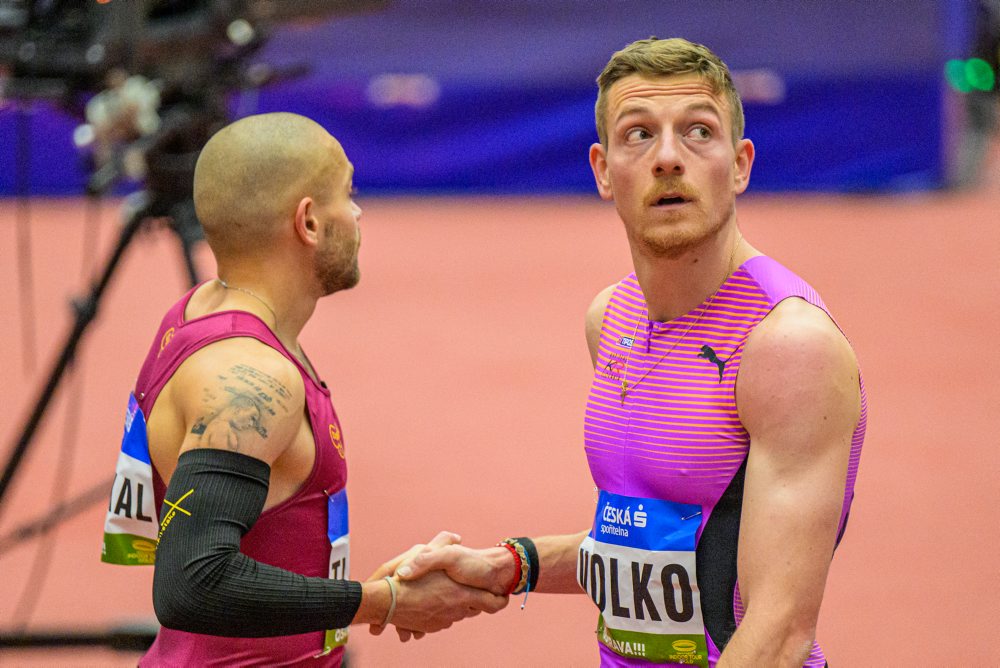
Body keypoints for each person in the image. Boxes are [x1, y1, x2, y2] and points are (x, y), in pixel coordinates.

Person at [392, 37, 866, 667]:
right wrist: (507, 566)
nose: (669, 158)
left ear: (742, 164)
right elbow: (660, 549)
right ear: (602, 169)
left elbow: (777, 633)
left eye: (698, 132)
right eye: (638, 135)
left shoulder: (785, 345)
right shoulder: (611, 318)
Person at [100, 112, 506, 666]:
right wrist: (380, 603)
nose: (359, 213)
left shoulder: (198, 311)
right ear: (309, 222)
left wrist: (354, 591)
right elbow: (193, 584)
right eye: (348, 194)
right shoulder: (250, 378)